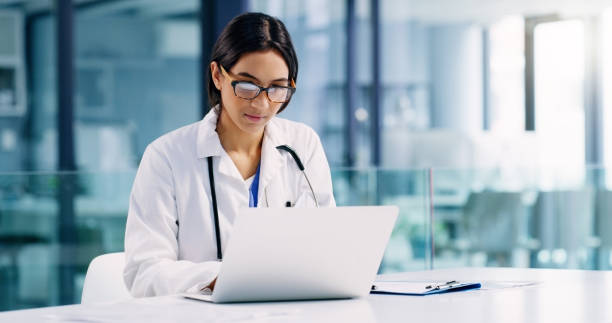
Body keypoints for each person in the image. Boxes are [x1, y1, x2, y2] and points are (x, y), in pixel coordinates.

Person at [123, 12, 336, 297]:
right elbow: (144, 273)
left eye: (277, 88)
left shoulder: (303, 144)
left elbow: (329, 245)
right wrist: (222, 277)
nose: (261, 104)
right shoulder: (166, 157)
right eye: (247, 86)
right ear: (217, 76)